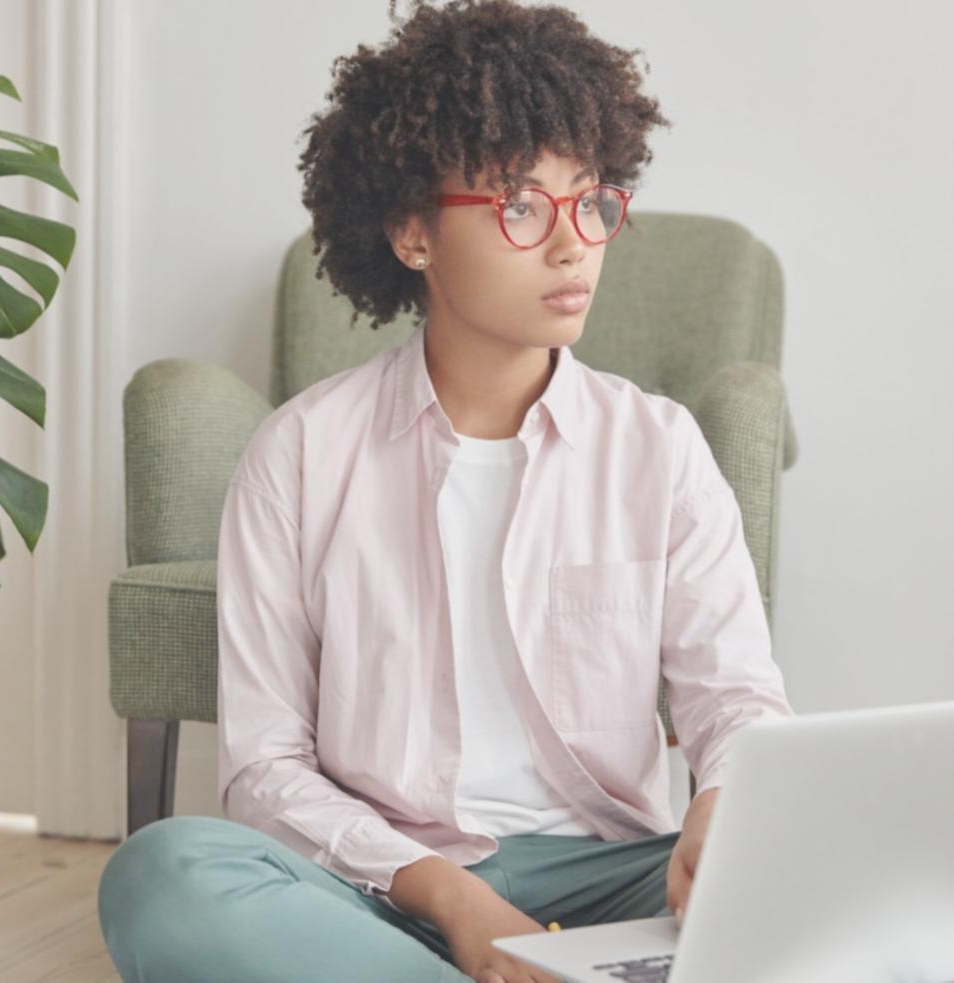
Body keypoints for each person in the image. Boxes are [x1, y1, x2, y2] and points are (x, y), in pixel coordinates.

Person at [96, 1, 796, 980]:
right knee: (161, 873)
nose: (572, 244)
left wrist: (725, 800)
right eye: (518, 205)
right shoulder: (298, 456)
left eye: (590, 201)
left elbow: (737, 703)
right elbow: (263, 771)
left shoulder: (659, 448)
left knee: (845, 870)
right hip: (372, 886)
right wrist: (452, 896)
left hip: (607, 879)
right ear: (412, 233)